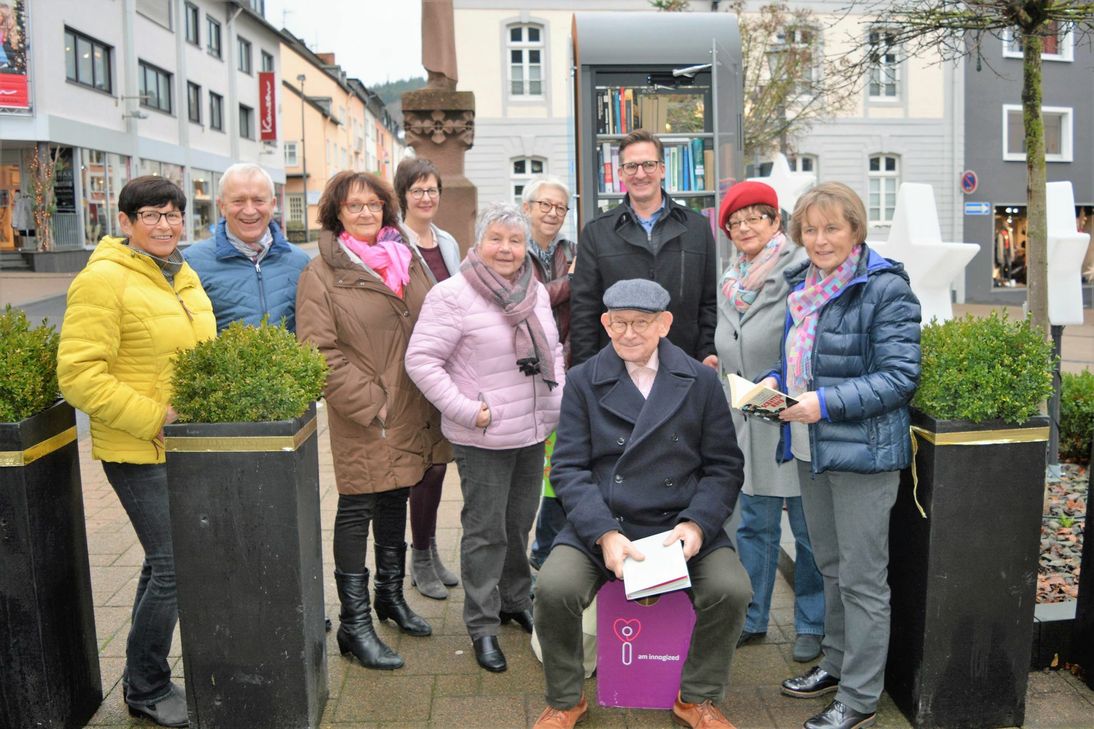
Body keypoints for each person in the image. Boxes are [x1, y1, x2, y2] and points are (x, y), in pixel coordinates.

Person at [531, 279, 751, 729]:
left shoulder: (703, 381)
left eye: (642, 323)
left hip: (679, 523)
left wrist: (697, 525)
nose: (629, 333)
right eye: (620, 323)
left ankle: (697, 698)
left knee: (732, 590)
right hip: (606, 519)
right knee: (553, 589)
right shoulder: (583, 380)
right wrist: (604, 533)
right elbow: (568, 469)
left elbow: (724, 467)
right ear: (605, 323)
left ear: (665, 324)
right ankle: (566, 698)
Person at [58, 176, 216, 728]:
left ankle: (141, 674)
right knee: (176, 567)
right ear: (125, 222)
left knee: (162, 562)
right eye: (151, 214)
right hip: (137, 446)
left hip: (183, 447)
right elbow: (78, 375)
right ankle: (147, 687)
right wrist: (155, 418)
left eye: (173, 213)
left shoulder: (181, 273)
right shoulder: (103, 280)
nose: (165, 224)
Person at [768, 182, 920, 729]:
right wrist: (771, 388)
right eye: (809, 229)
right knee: (829, 566)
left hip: (863, 454)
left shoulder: (884, 289)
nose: (819, 238)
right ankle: (834, 664)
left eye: (832, 227)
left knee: (861, 578)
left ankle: (860, 698)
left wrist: (824, 403)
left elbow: (900, 378)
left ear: (856, 228)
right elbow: (803, 363)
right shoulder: (804, 284)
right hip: (812, 447)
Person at [295, 171, 450, 671]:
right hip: (368, 413)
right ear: (336, 213)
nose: (366, 213)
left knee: (397, 494)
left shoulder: (406, 258)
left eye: (374, 205)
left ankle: (389, 597)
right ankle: (353, 623)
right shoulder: (321, 272)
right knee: (358, 504)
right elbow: (317, 351)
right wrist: (373, 404)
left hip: (413, 405)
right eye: (354, 206)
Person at [405, 202, 564, 674]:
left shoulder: (533, 292)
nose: (506, 249)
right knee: (484, 532)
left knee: (518, 524)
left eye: (515, 241)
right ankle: (481, 623)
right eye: (496, 239)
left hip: (532, 429)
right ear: (477, 244)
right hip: (485, 434)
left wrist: (556, 406)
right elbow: (422, 361)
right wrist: (466, 411)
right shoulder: (452, 295)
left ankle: (515, 601)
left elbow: (552, 349)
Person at [714, 181, 825, 662]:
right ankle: (753, 617)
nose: (744, 229)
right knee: (753, 528)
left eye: (755, 218)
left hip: (793, 420)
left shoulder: (800, 270)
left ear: (776, 222)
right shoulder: (730, 278)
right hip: (746, 420)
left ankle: (812, 624)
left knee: (807, 531)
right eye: (735, 223)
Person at [570, 128, 718, 368]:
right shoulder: (596, 233)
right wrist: (587, 371)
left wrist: (706, 353)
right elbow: (584, 311)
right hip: (617, 368)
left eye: (648, 165)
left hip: (685, 364)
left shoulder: (697, 228)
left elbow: (710, 303)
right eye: (631, 166)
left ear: (662, 169)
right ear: (620, 173)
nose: (640, 174)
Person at [393, 156, 461, 600]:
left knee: (439, 462)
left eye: (432, 189)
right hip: (410, 362)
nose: (426, 197)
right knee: (421, 464)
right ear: (403, 196)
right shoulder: (392, 241)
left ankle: (430, 548)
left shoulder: (448, 241)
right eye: (417, 190)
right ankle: (417, 557)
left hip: (446, 363)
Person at [521, 174, 576, 572]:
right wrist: (570, 281)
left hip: (568, 367)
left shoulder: (571, 249)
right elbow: (527, 299)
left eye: (560, 207)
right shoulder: (510, 248)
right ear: (527, 208)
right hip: (522, 373)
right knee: (527, 469)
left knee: (560, 465)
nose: (553, 213)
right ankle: (525, 555)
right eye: (545, 205)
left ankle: (547, 549)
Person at [183, 163, 310, 332]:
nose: (250, 211)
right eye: (238, 201)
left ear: (272, 205)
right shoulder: (192, 263)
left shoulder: (300, 262)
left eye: (258, 200)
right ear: (222, 206)